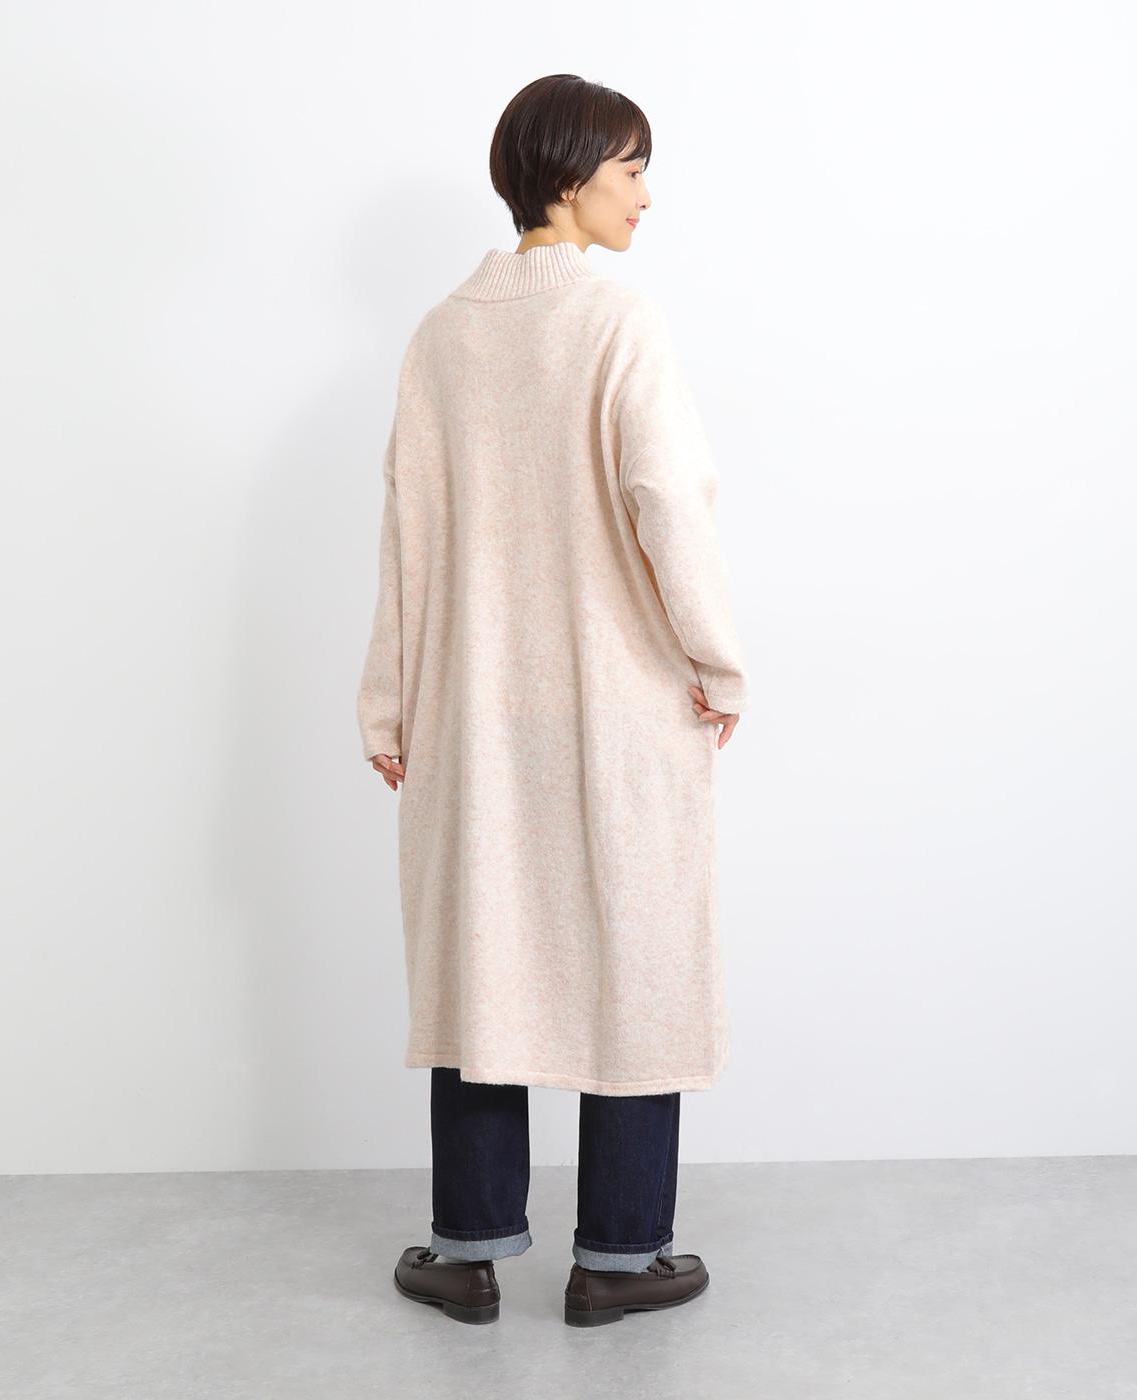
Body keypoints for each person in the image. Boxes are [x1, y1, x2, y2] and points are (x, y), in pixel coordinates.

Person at [357, 73, 751, 1326]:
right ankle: (620, 1257)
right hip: (614, 703)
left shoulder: (440, 336)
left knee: (487, 960)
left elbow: (408, 536)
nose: (647, 194)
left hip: (474, 713)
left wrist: (389, 706)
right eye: (632, 168)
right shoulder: (618, 323)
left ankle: (465, 1249)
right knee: (634, 957)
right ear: (570, 176)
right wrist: (717, 659)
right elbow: (669, 501)